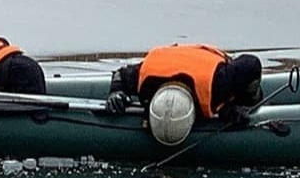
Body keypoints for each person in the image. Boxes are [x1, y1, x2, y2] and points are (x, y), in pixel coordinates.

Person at [104, 43, 262, 145]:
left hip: (208, 64)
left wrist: (230, 110)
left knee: (250, 96)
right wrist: (116, 92)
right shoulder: (149, 77)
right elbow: (120, 75)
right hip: (171, 60)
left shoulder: (218, 86)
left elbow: (225, 104)